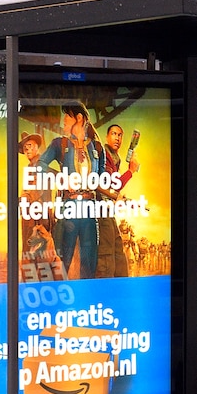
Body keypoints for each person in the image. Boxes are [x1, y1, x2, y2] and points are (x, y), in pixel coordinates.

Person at [37, 101, 103, 279]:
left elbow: (102, 180)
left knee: (90, 262)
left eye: (67, 115)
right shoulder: (60, 144)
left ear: (79, 118)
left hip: (90, 210)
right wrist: (61, 177)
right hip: (68, 208)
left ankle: (88, 301)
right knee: (62, 260)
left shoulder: (97, 147)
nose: (63, 120)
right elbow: (40, 165)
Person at [95, 124, 140, 278]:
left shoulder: (116, 159)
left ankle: (121, 287)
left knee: (118, 250)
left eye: (120, 135)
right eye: (114, 134)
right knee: (108, 254)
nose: (117, 138)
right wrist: (130, 171)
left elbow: (113, 187)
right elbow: (110, 184)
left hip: (107, 209)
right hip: (100, 210)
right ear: (107, 137)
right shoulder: (104, 156)